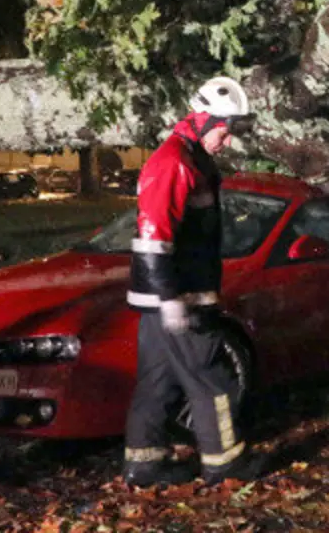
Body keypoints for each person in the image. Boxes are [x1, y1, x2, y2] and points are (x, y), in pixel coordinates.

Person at [123, 76, 262, 488]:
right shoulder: (174, 163)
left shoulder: (191, 158)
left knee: (157, 383)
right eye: (225, 129)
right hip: (178, 295)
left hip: (166, 297)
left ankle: (144, 465)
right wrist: (171, 298)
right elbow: (153, 235)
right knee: (212, 380)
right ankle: (225, 464)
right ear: (203, 119)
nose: (229, 140)